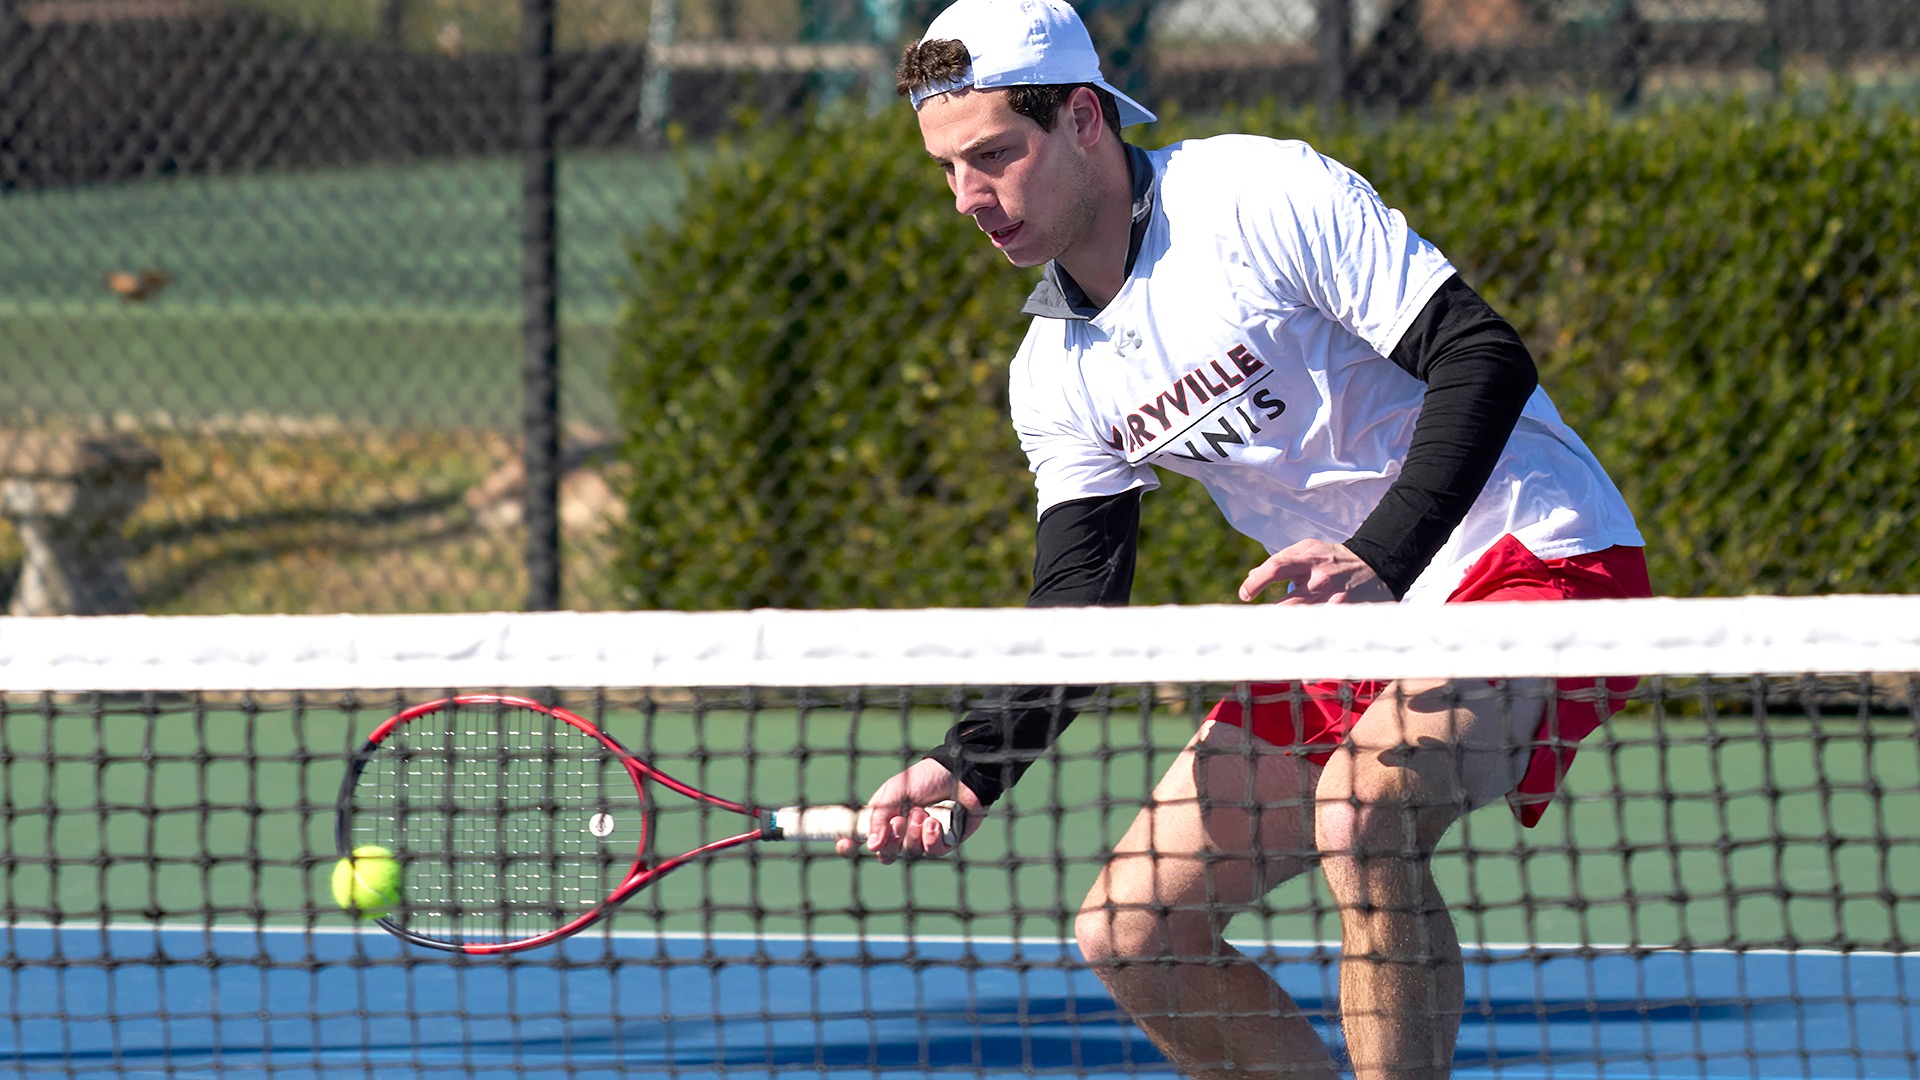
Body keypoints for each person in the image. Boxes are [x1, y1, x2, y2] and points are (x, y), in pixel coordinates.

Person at [838, 1, 1652, 1076]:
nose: (970, 198)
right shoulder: (1056, 372)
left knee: (1363, 817)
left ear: (1085, 117)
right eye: (948, 167)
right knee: (1132, 933)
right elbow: (1081, 598)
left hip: (1535, 560)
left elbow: (1482, 354)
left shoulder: (1254, 194)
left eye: (996, 154)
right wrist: (970, 766)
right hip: (1350, 630)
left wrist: (1383, 554)